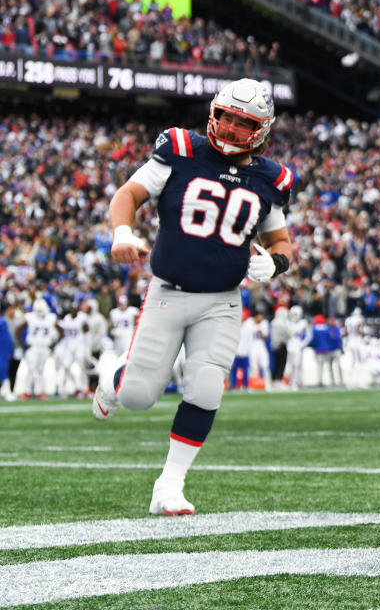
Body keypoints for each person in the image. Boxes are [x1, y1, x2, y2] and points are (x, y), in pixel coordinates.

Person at [91, 78, 294, 516]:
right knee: (139, 396)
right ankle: (114, 379)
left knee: (206, 386)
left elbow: (281, 242)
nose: (233, 128)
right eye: (227, 117)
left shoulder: (270, 178)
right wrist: (123, 231)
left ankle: (169, 485)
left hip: (221, 300)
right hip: (169, 292)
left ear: (263, 129)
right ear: (213, 112)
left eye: (246, 122)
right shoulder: (181, 150)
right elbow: (128, 194)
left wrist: (275, 264)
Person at [22, 298, 59, 400]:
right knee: (31, 369)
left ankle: (39, 392)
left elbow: (60, 330)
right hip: (33, 347)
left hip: (44, 348)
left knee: (40, 370)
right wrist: (23, 344)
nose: (40, 313)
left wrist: (54, 344)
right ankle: (26, 392)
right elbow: (18, 329)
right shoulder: (30, 317)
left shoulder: (51, 318)